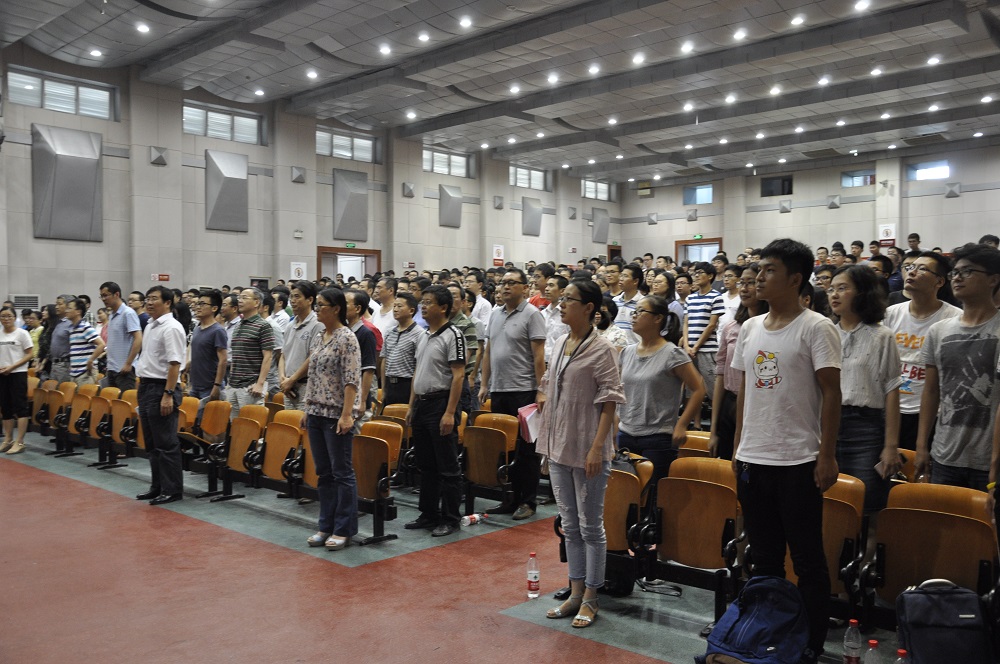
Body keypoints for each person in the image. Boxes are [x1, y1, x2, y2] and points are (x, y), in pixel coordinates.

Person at [731, 238, 842, 663]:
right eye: (758, 269)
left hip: (798, 460)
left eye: (770, 270)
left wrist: (826, 455)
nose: (758, 277)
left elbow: (832, 393)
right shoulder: (750, 327)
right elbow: (745, 392)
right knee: (764, 559)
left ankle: (811, 643)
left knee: (808, 560)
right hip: (754, 458)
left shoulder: (817, 327)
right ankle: (769, 634)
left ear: (796, 279)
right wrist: (739, 447)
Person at [537, 279, 625, 628]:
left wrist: (597, 448)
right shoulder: (561, 342)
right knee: (569, 526)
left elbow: (610, 401)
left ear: (589, 308)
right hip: (559, 445)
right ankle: (574, 593)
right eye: (562, 298)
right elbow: (550, 387)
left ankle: (591, 596)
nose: (561, 304)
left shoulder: (603, 349)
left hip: (589, 447)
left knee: (591, 527)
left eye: (569, 299)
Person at [915, 243, 1000, 490]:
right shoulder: (938, 331)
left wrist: (996, 460)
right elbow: (931, 391)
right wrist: (922, 446)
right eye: (955, 272)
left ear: (994, 279)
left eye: (968, 271)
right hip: (945, 455)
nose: (958, 278)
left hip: (988, 460)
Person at [827, 265, 902, 514]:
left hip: (866, 428)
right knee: (829, 497)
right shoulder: (825, 333)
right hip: (826, 423)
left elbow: (892, 391)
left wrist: (891, 446)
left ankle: (864, 542)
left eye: (842, 288)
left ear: (862, 293)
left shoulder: (882, 336)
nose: (834, 294)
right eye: (831, 289)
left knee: (866, 501)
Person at [478, 268, 546, 520]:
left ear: (525, 288)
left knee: (526, 451)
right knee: (504, 449)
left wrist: (541, 390)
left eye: (512, 283)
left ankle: (528, 501)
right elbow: (488, 352)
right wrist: (484, 384)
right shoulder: (495, 314)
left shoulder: (532, 314)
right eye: (503, 282)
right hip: (500, 390)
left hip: (524, 391)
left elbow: (538, 356)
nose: (505, 287)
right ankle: (509, 499)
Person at [618, 295, 705, 486]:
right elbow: (619, 392)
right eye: (634, 311)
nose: (634, 315)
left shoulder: (672, 353)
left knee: (652, 496)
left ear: (658, 318)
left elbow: (699, 389)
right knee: (625, 495)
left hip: (657, 437)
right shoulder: (627, 352)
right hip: (625, 434)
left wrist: (682, 424)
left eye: (640, 311)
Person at [403, 285, 467, 538]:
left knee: (447, 466)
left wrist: (450, 413)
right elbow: (417, 372)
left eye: (429, 302)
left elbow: (459, 376)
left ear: (443, 307)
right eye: (423, 302)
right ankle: (428, 514)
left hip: (441, 403)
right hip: (422, 404)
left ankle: (450, 518)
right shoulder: (423, 335)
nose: (423, 306)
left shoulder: (453, 335)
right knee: (426, 464)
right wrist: (411, 405)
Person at [304, 288, 362, 551]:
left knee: (342, 473)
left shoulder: (347, 338)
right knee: (324, 473)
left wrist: (347, 415)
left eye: (321, 305)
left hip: (336, 414)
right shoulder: (320, 335)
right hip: (316, 413)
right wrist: (307, 409)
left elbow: (351, 380)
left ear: (336, 308)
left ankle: (343, 529)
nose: (317, 309)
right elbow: (313, 375)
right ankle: (325, 525)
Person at [883, 252, 960, 451]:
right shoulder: (890, 314)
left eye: (922, 269)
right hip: (891, 408)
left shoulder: (954, 318)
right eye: (910, 268)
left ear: (939, 281)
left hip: (933, 413)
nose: (912, 272)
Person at [134, 286, 187, 506]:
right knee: (152, 443)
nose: (149, 302)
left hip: (162, 387)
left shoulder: (171, 327)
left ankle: (172, 490)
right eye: (147, 298)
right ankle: (157, 486)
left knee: (166, 443)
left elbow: (175, 363)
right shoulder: (150, 325)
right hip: (146, 387)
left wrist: (168, 394)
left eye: (154, 298)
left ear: (167, 303)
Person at [710, 263, 768, 460]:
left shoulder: (773, 328)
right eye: (741, 282)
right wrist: (713, 430)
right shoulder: (731, 327)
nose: (744, 288)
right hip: (731, 403)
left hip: (759, 405)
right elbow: (720, 375)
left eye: (750, 283)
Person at [227, 288, 275, 419]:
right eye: (239, 298)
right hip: (233, 384)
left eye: (244, 297)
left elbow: (268, 356)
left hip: (250, 386)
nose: (240, 300)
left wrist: (260, 384)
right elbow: (236, 355)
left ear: (256, 302)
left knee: (249, 425)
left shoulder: (263, 326)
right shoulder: (238, 325)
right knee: (233, 425)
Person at [278, 281, 324, 412]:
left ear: (310, 300)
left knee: (303, 423)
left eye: (297, 296)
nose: (292, 300)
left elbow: (313, 357)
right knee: (288, 422)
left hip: (306, 386)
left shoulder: (317, 324)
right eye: (291, 297)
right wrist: (282, 378)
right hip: (288, 387)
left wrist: (292, 379)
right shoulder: (290, 325)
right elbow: (283, 355)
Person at [684, 262, 724, 398]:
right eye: (695, 273)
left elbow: (711, 325)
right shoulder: (690, 298)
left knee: (712, 388)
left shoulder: (716, 297)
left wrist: (696, 347)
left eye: (700, 273)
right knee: (692, 390)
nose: (696, 276)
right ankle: (696, 414)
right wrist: (686, 346)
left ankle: (716, 412)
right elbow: (686, 323)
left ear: (710, 276)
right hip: (689, 350)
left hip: (707, 349)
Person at [379, 292, 426, 406]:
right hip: (389, 383)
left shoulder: (420, 334)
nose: (395, 309)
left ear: (411, 310)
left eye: (399, 306)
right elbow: (384, 360)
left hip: (407, 385)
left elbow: (419, 366)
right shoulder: (390, 332)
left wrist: (412, 399)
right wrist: (384, 389)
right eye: (394, 306)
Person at [186, 289, 228, 419]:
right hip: (195, 386)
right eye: (197, 303)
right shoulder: (197, 329)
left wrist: (217, 386)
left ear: (214, 308)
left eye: (203, 304)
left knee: (207, 424)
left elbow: (223, 360)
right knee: (191, 423)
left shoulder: (218, 331)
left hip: (210, 387)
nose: (198, 307)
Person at [0, 306, 34, 454]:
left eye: (9, 316)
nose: (6, 319)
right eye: (3, 316)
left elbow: (30, 354)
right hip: (2, 374)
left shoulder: (22, 333)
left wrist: (12, 366)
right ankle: (8, 439)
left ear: (14, 318)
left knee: (20, 407)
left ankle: (19, 442)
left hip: (18, 373)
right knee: (5, 407)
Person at [99, 282, 142, 391]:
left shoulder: (128, 313)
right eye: (101, 296)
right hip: (112, 369)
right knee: (112, 400)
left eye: (105, 295)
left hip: (124, 370)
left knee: (125, 400)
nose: (103, 299)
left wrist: (128, 363)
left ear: (116, 294)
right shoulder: (112, 315)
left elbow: (138, 338)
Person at [65, 297, 104, 386]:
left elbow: (101, 345)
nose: (66, 311)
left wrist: (91, 360)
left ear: (78, 312)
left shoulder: (85, 327)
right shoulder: (71, 328)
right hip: (74, 373)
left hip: (85, 373)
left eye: (69, 308)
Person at [612, 263, 644, 345]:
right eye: (621, 275)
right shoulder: (615, 301)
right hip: (616, 347)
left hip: (635, 347)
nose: (621, 279)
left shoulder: (643, 303)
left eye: (625, 276)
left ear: (635, 281)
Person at [542, 275, 570, 364]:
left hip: (560, 361)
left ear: (562, 291)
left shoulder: (568, 314)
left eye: (551, 285)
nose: (546, 289)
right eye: (546, 285)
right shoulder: (542, 314)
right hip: (543, 361)